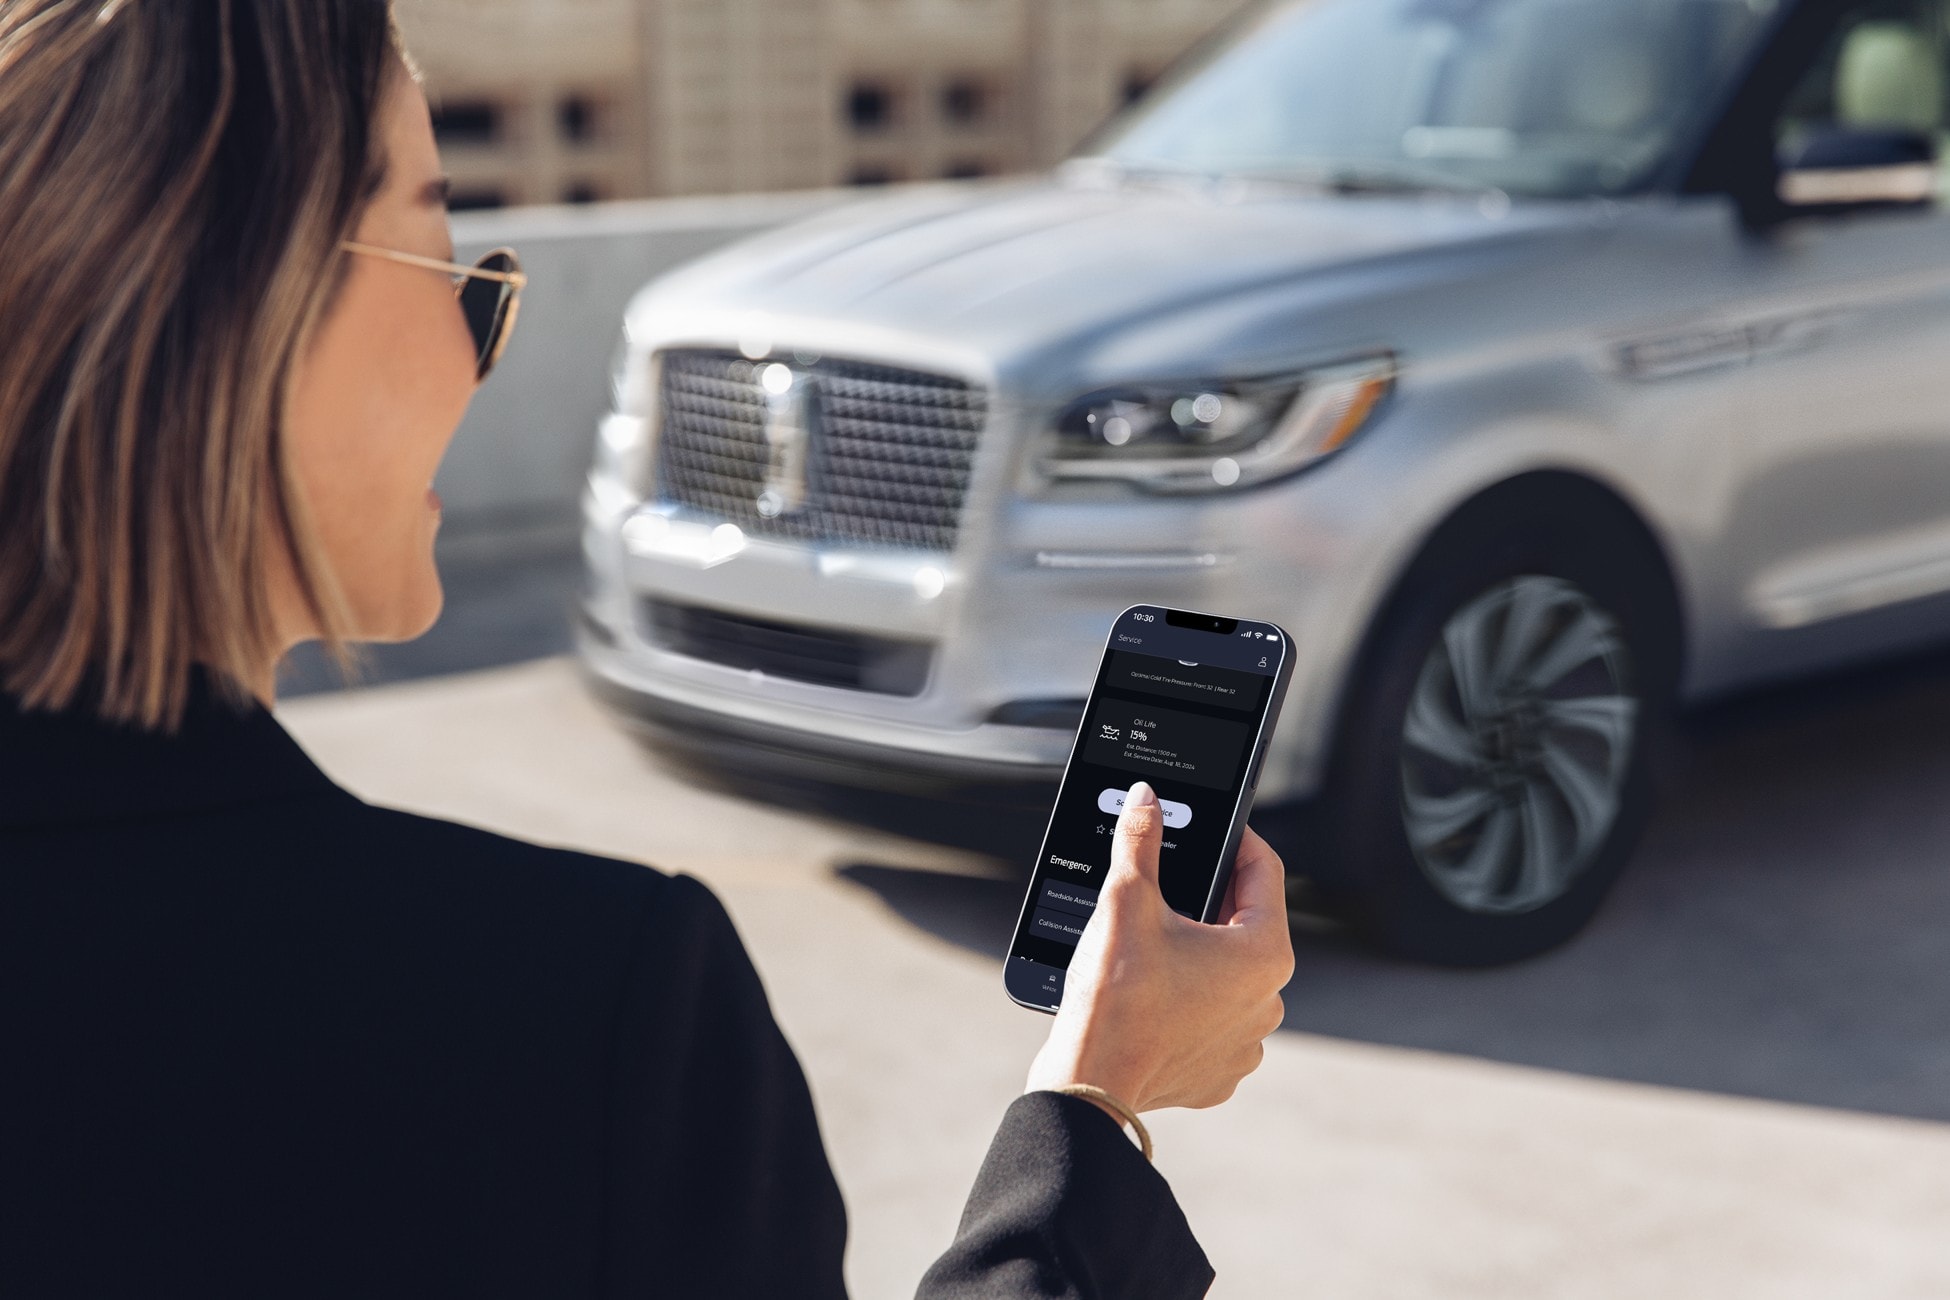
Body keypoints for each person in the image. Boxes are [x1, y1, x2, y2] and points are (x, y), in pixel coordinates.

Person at [0, 3, 1295, 1296]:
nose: (480, 356)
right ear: (244, 304)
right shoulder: (579, 1013)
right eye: (450, 270)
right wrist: (1096, 1103)